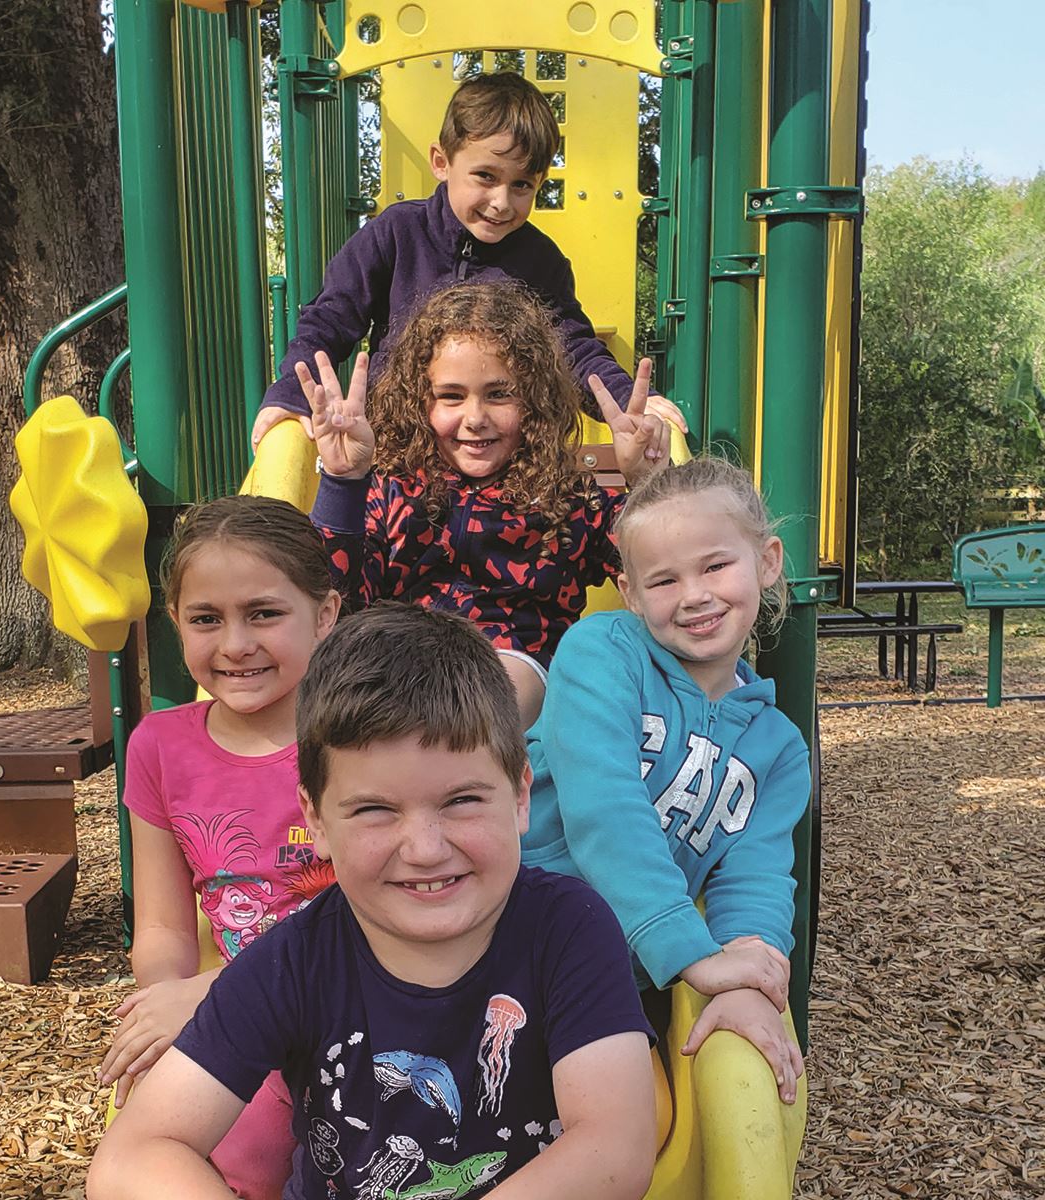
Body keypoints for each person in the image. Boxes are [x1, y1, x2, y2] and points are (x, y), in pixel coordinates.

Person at [87, 604, 658, 1200]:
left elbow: (613, 1148)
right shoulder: (296, 960)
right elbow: (135, 1154)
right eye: (375, 810)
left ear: (519, 795)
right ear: (317, 821)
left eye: (462, 800)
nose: (426, 849)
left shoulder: (569, 928)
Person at [522, 457, 809, 1105]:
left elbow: (755, 874)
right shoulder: (600, 654)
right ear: (630, 593)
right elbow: (604, 810)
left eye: (715, 566)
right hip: (510, 934)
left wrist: (748, 971)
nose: (694, 595)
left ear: (767, 561)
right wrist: (692, 954)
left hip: (624, 973)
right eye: (664, 579)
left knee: (628, 1125)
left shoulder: (777, 750)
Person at [98, 495, 341, 1198]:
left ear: (324, 616)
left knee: (261, 1155)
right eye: (206, 619)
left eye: (263, 613)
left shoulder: (362, 737)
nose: (235, 643)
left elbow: (381, 915)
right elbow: (165, 928)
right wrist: (164, 1011)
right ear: (175, 623)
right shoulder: (160, 747)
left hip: (355, 997)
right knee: (149, 1154)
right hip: (242, 1018)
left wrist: (211, 994)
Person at [251, 70, 686, 449]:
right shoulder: (397, 233)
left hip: (497, 451)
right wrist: (293, 391)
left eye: (522, 186)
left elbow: (573, 348)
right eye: (485, 177)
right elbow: (332, 317)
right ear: (442, 162)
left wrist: (630, 400)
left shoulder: (540, 261)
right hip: (401, 446)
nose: (501, 202)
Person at [303, 280, 668, 728]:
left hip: (511, 666)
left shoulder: (566, 499)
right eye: (451, 396)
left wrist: (645, 484)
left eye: (499, 394)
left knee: (482, 697)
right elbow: (333, 593)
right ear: (420, 402)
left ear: (534, 401)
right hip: (396, 661)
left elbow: (654, 569)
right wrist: (344, 479)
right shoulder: (393, 489)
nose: (475, 419)